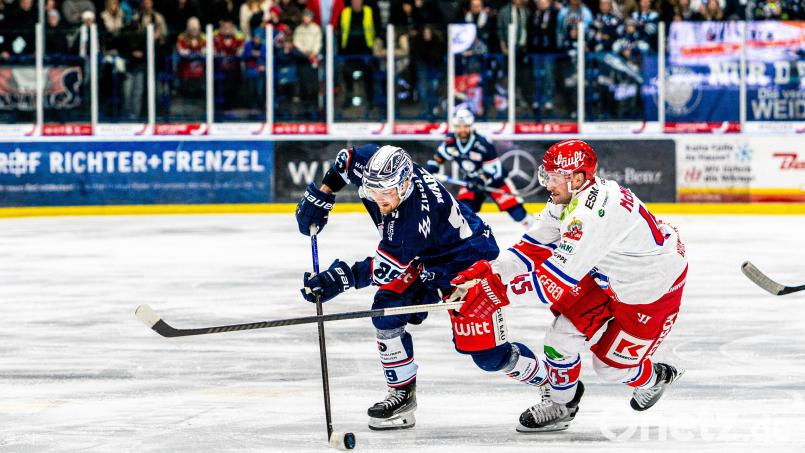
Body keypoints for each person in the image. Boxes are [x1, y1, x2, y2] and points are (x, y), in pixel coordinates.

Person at [295, 145, 548, 431]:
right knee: (386, 311)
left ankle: (553, 384)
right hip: (425, 254)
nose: (379, 199)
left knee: (489, 357)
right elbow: (346, 160)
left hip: (467, 260)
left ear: (405, 184)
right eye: (373, 191)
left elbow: (383, 269)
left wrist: (337, 279)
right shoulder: (374, 166)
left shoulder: (412, 220)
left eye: (386, 192)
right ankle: (402, 395)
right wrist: (324, 195)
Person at [452, 139, 687, 432]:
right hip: (608, 274)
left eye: (554, 177)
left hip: (652, 289)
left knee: (610, 369)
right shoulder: (568, 199)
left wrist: (491, 294)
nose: (547, 184)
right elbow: (532, 247)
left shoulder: (589, 215)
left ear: (577, 178)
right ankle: (562, 405)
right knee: (559, 340)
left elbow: (551, 283)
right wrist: (491, 272)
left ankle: (655, 378)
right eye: (547, 175)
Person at [426, 109, 534, 228]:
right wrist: (431, 168)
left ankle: (532, 227)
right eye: (459, 127)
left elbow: (494, 170)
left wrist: (480, 180)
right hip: (471, 181)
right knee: (463, 210)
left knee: (517, 212)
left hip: (495, 181)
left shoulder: (483, 143)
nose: (462, 130)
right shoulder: (450, 142)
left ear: (471, 126)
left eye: (465, 126)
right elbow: (439, 157)